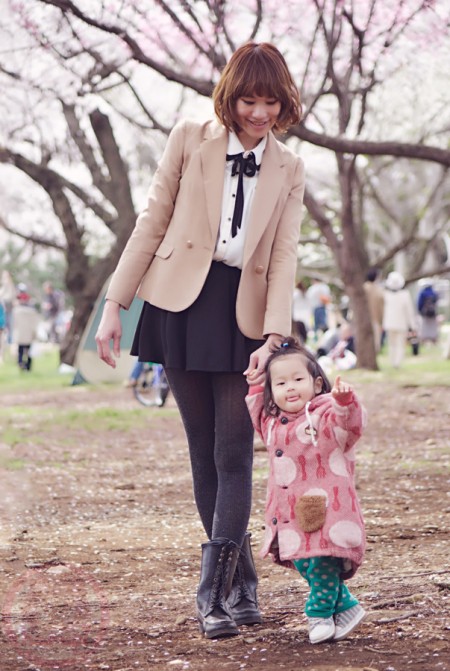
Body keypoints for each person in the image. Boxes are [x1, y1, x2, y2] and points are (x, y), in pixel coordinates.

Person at [94, 42, 305, 639]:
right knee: (202, 453)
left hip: (243, 315)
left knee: (234, 454)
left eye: (270, 102)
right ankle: (241, 587)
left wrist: (275, 336)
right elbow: (152, 218)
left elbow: (285, 253)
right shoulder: (190, 138)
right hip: (178, 304)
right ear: (230, 96)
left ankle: (212, 591)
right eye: (248, 100)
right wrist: (116, 304)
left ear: (283, 102)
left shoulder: (289, 167)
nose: (258, 113)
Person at [245, 337, 366, 644]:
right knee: (303, 560)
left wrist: (344, 402)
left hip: (329, 508)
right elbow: (257, 414)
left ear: (315, 382)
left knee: (323, 559)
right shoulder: (273, 424)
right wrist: (256, 386)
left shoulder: (325, 416)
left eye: (298, 379)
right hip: (288, 512)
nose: (290, 387)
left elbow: (349, 426)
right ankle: (347, 605)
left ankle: (318, 613)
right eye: (281, 383)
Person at [382, 271, 416, 368]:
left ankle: (394, 362)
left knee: (392, 344)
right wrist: (412, 325)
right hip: (400, 324)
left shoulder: (386, 294)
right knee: (399, 344)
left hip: (390, 323)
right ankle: (396, 362)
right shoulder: (404, 295)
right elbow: (409, 312)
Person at [12, 288, 41, 371]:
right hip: (28, 335)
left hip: (22, 335)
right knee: (26, 351)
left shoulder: (17, 311)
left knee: (22, 351)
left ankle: (22, 364)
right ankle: (26, 366)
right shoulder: (31, 311)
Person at [363, 268, 384, 352]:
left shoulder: (363, 288)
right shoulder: (378, 289)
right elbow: (382, 305)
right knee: (376, 341)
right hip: (375, 318)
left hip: (364, 319)